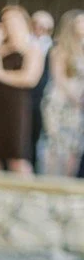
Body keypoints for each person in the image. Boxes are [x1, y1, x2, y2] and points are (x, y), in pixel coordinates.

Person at [0, 6, 44, 173]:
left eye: (14, 19)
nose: (10, 24)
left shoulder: (33, 47)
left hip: (16, 104)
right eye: (6, 21)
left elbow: (29, 78)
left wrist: (0, 75)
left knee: (17, 157)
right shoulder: (1, 46)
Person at [43, 10, 84, 177]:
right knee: (56, 147)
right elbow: (58, 78)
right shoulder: (60, 49)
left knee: (74, 148)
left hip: (78, 107)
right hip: (60, 103)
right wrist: (76, 99)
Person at [31, 11, 55, 172]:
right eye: (38, 26)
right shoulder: (24, 44)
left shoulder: (54, 48)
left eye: (46, 28)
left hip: (48, 102)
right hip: (27, 100)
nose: (41, 30)